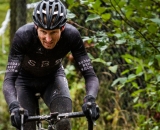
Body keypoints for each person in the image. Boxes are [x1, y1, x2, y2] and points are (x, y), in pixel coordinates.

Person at [3, 0, 100, 129]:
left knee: (64, 122)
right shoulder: (23, 36)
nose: (48, 39)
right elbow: (9, 80)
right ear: (36, 27)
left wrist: (90, 100)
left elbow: (90, 75)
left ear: (63, 28)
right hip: (24, 82)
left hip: (53, 78)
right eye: (43, 32)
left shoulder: (72, 36)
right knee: (26, 125)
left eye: (53, 32)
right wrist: (14, 106)